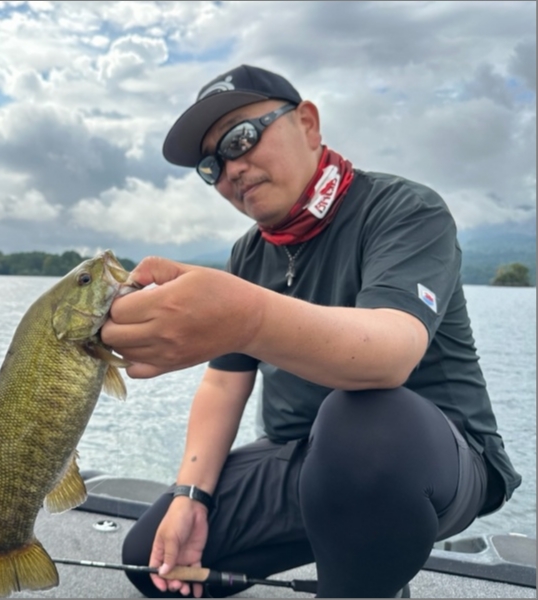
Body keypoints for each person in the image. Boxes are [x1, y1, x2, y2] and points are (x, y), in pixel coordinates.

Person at [100, 65, 521, 598]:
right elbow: (224, 383)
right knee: (152, 561)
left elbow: (391, 353)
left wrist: (247, 317)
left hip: (428, 460)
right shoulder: (248, 254)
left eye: (241, 138)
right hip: (302, 461)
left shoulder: (406, 210)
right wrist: (191, 495)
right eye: (212, 164)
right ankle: (355, 555)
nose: (231, 168)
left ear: (308, 123)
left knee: (361, 425)